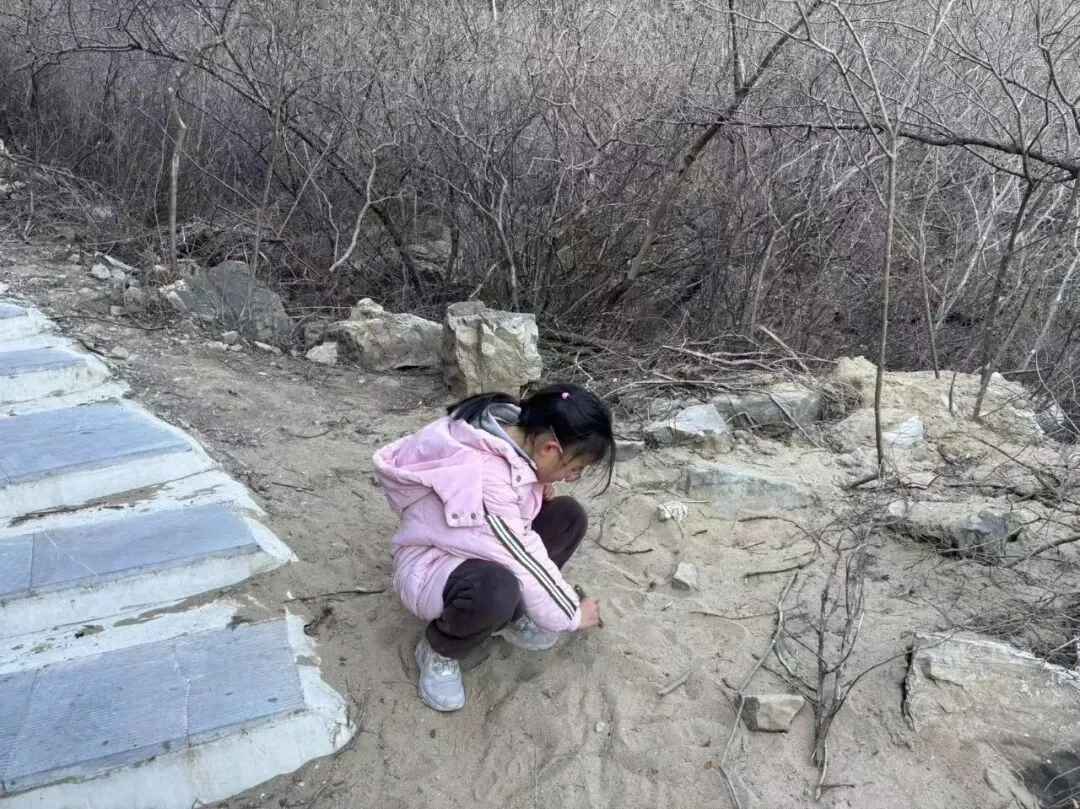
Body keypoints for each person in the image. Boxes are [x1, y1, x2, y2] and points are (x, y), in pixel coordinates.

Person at [372, 383, 615, 711]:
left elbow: (512, 526)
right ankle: (440, 648)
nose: (569, 477)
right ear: (549, 448)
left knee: (568, 516)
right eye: (573, 470)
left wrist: (536, 485)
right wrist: (572, 614)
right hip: (433, 563)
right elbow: (522, 557)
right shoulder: (485, 477)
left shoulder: (511, 433)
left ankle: (514, 613)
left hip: (477, 544)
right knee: (497, 588)